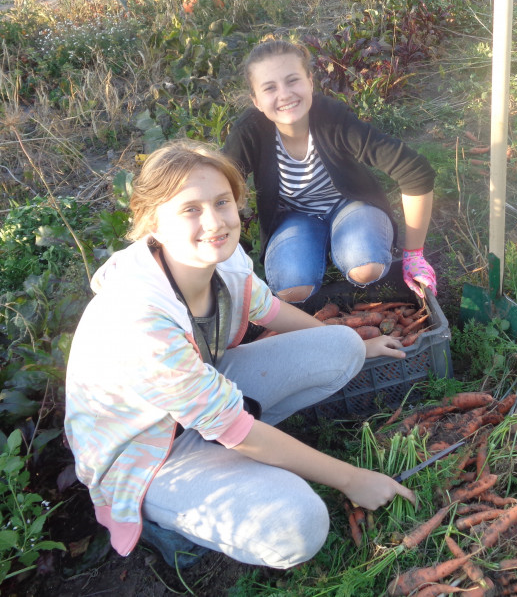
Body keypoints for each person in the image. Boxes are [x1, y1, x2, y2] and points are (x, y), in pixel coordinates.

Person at [64, 140, 414, 570]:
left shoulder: (222, 260)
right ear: (153, 222)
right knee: (299, 524)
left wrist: (359, 345)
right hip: (148, 452)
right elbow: (237, 429)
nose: (213, 222)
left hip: (203, 403)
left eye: (222, 202)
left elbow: (268, 309)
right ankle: (162, 518)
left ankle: (239, 458)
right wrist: (352, 479)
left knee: (339, 345)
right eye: (190, 209)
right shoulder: (141, 318)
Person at [223, 38, 438, 304]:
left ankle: (346, 248)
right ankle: (316, 246)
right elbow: (221, 191)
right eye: (269, 88)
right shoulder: (249, 132)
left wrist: (414, 254)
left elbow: (414, 170)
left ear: (310, 82)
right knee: (291, 289)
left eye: (293, 80)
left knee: (366, 266)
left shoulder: (332, 118)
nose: (285, 94)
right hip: (294, 217)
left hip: (349, 206)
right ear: (256, 100)